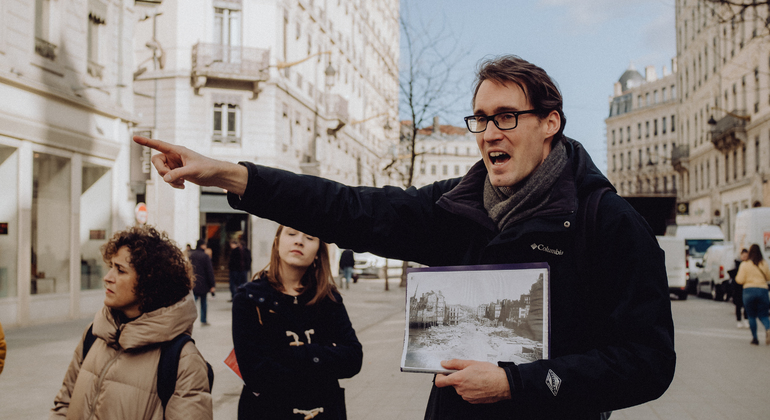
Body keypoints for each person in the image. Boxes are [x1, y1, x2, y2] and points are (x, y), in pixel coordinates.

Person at [135, 55, 675, 419]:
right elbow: (350, 208)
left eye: (507, 117)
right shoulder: (455, 208)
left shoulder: (607, 223)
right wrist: (231, 175)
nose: (490, 134)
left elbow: (649, 363)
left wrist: (517, 383)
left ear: (551, 122)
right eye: (481, 119)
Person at [50, 225, 213, 419]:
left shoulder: (183, 359)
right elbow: (63, 405)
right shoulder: (94, 334)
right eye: (111, 267)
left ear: (149, 282)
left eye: (120, 270)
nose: (108, 277)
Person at [231, 225, 362, 419]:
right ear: (277, 243)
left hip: (323, 410)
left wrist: (300, 352)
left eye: (310, 237)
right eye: (291, 234)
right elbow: (255, 373)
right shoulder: (250, 298)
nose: (299, 241)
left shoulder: (328, 299)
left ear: (318, 251)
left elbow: (353, 358)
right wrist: (323, 360)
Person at [735, 244, 770, 345]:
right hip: (762, 291)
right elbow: (768, 278)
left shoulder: (745, 265)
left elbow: (739, 280)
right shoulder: (764, 263)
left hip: (749, 291)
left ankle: (755, 338)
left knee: (751, 316)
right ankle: (768, 328)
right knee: (763, 315)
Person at [190, 238, 216, 326]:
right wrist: (212, 284)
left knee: (193, 303)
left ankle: (189, 320)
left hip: (193, 282)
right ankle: (203, 319)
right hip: (203, 283)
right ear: (202, 245)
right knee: (203, 302)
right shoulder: (205, 256)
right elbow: (209, 271)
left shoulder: (191, 255)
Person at [729, 248, 750, 328]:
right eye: (744, 256)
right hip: (737, 286)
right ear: (741, 255)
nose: (745, 257)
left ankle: (746, 319)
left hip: (746, 286)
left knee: (746, 304)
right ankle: (739, 320)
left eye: (746, 256)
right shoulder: (736, 263)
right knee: (738, 304)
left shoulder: (749, 264)